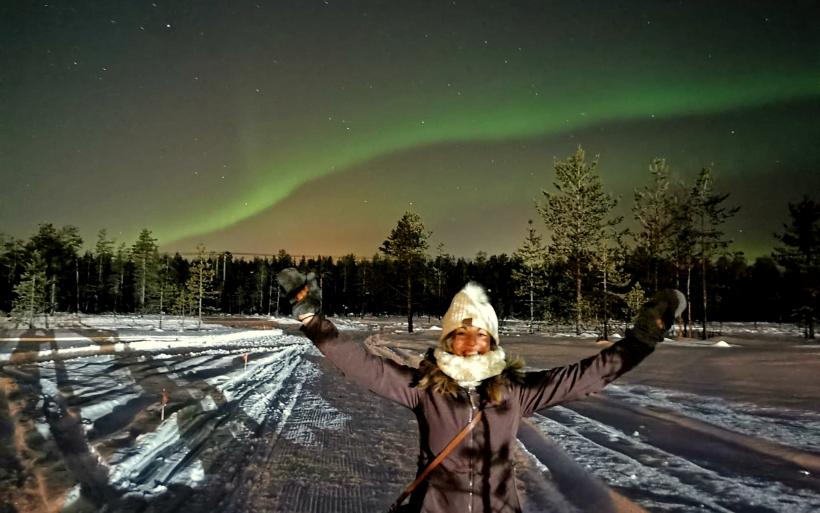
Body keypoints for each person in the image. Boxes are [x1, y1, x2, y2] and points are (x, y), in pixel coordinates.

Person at [277, 269, 685, 513]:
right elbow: (362, 366)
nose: (471, 341)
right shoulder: (425, 389)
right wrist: (315, 321)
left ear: (492, 341)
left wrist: (641, 340)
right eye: (460, 333)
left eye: (481, 334)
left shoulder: (514, 391)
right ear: (447, 339)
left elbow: (586, 375)